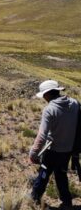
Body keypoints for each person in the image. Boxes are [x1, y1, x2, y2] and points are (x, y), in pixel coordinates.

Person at [29, 80, 79, 209]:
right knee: (61, 175)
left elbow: (42, 136)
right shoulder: (74, 103)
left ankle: (34, 198)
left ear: (47, 94)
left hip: (52, 149)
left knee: (44, 173)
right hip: (68, 150)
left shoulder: (50, 109)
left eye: (44, 95)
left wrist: (33, 153)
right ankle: (67, 202)